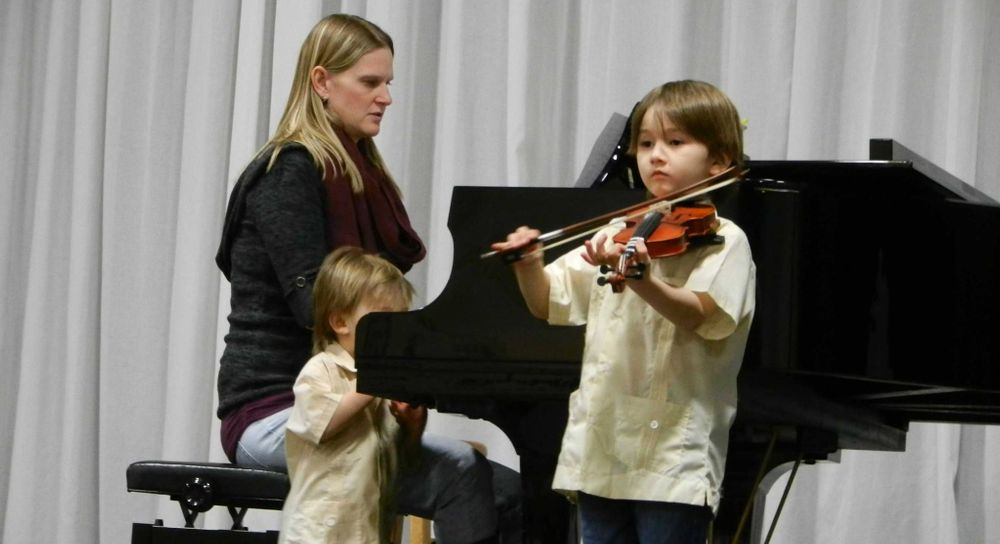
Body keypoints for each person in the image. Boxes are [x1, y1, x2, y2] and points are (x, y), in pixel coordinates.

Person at [215, 14, 512, 543]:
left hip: (349, 402)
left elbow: (372, 307)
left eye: (388, 84)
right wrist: (411, 358)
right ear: (323, 82)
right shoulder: (288, 172)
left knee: (503, 489)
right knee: (469, 478)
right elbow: (318, 310)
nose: (385, 98)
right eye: (370, 83)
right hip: (278, 407)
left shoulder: (359, 172)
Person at [491, 80, 756, 543]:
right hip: (603, 448)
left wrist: (642, 280)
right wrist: (529, 266)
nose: (656, 155)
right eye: (646, 143)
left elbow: (700, 314)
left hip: (671, 454)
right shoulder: (619, 232)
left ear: (719, 161)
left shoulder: (724, 240)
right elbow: (549, 300)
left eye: (675, 143)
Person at [277, 247, 417, 542]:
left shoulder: (380, 383)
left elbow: (397, 456)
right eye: (384, 319)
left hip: (364, 529)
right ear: (340, 323)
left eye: (402, 319)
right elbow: (323, 424)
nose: (396, 330)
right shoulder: (321, 370)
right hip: (317, 532)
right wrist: (372, 382)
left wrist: (412, 425)